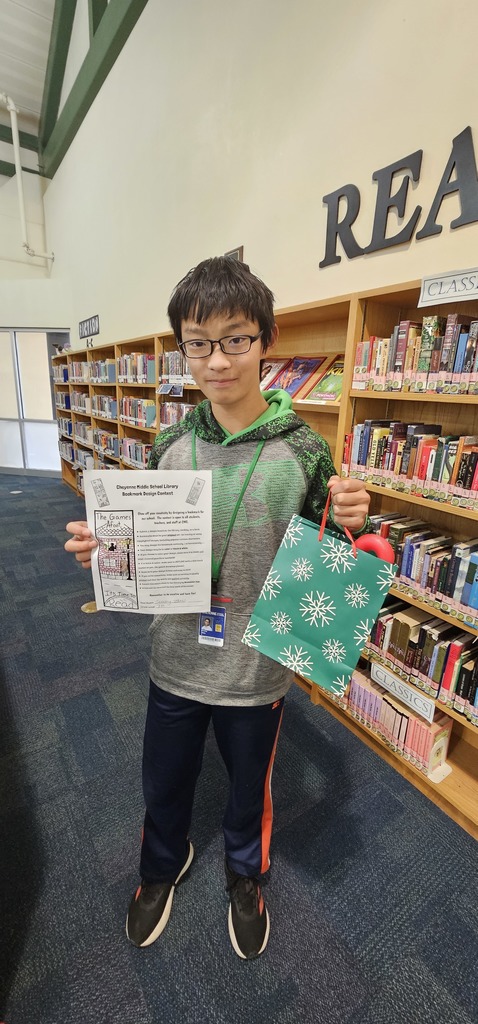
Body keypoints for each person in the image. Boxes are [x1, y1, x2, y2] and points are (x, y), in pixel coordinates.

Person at [65, 256, 370, 960]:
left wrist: (353, 514)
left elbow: (339, 541)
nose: (217, 359)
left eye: (235, 339)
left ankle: (245, 874)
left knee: (248, 787)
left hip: (257, 667)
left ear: (266, 340)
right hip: (174, 657)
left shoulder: (304, 449)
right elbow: (143, 539)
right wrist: (105, 548)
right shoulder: (170, 444)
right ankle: (160, 866)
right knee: (163, 776)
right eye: (198, 342)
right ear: (182, 348)